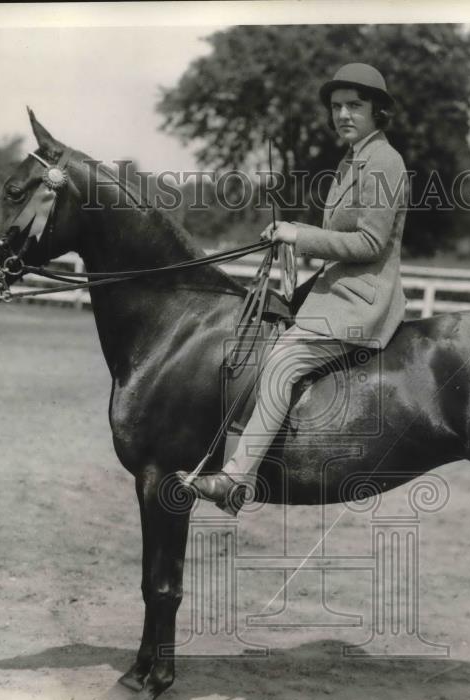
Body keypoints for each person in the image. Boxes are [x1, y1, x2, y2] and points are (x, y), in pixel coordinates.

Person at [180, 63, 409, 515]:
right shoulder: (353, 159)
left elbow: (370, 242)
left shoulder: (384, 161)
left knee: (284, 360)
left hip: (362, 300)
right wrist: (292, 231)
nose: (343, 114)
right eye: (336, 107)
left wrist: (298, 236)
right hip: (337, 288)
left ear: (377, 111)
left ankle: (235, 479)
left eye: (354, 106)